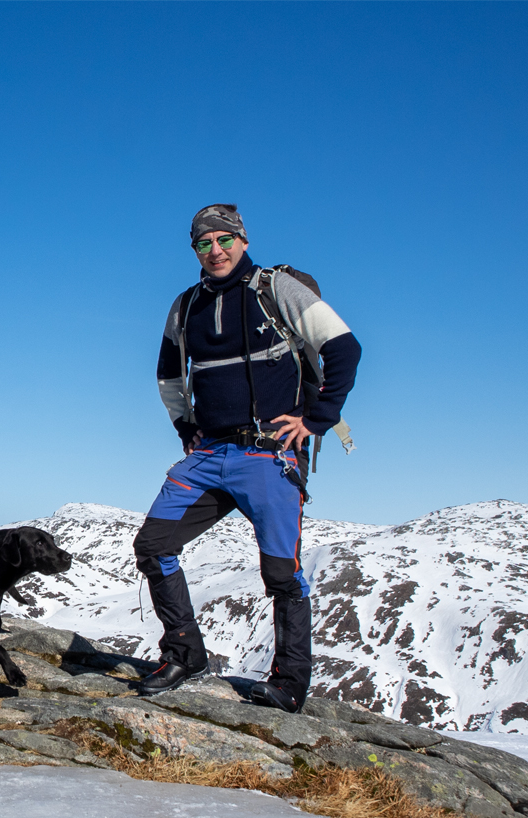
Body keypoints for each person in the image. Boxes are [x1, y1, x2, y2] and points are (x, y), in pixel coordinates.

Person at [132, 204, 362, 710]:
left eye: (223, 239)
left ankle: (288, 684)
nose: (215, 251)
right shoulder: (186, 305)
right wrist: (185, 426)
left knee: (281, 573)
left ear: (243, 239)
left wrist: (316, 420)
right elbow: (169, 375)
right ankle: (186, 654)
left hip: (269, 453)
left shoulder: (275, 289)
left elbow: (344, 347)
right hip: (209, 452)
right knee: (152, 545)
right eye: (203, 243)